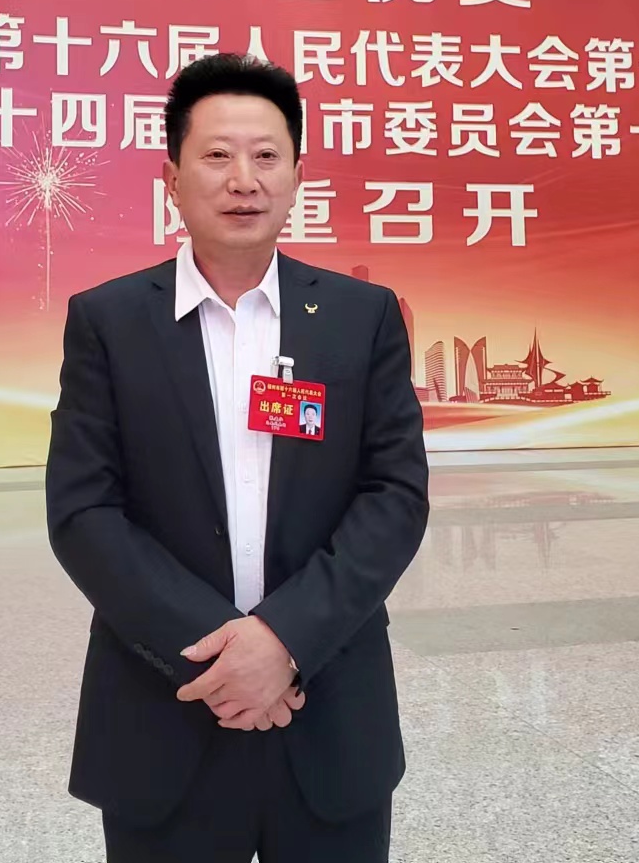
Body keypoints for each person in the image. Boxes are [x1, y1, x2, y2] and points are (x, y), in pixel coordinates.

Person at [46, 53, 429, 862]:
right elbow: (83, 512)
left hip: (329, 707)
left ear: (297, 176)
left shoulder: (360, 317)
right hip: (166, 706)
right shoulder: (109, 322)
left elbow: (394, 494)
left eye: (266, 156)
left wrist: (284, 640)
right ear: (172, 179)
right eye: (217, 155)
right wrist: (227, 649)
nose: (243, 180)